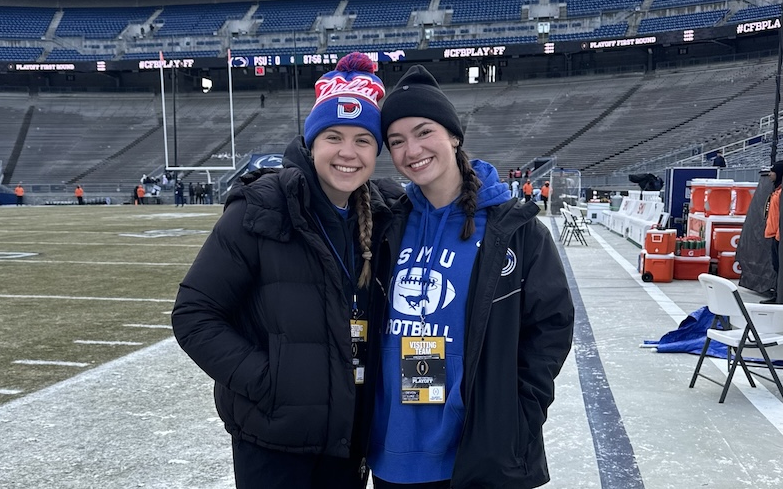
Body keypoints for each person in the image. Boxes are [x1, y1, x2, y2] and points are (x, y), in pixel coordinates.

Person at [172, 53, 395, 489]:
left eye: (362, 140)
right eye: (334, 136)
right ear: (311, 142)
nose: (347, 153)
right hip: (272, 442)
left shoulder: (384, 215)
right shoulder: (261, 207)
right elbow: (194, 315)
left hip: (348, 440)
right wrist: (271, 383)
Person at [370, 64, 575, 488]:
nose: (412, 150)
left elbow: (551, 326)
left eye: (424, 132)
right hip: (394, 452)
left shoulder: (515, 230)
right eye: (397, 141)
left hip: (480, 453)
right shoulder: (389, 226)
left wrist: (520, 412)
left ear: (453, 136)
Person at [762, 160, 783, 304]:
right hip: (774, 234)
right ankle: (776, 293)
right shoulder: (776, 190)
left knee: (779, 266)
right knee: (776, 267)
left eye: (773, 172)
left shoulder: (780, 193)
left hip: (778, 236)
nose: (770, 174)